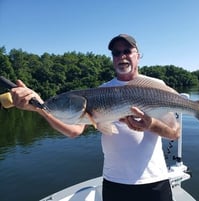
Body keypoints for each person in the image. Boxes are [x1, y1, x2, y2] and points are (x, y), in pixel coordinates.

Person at [10, 34, 180, 201]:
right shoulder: (101, 91)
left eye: (127, 51)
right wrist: (40, 107)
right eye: (116, 52)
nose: (122, 56)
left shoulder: (157, 88)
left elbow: (174, 133)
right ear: (112, 58)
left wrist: (149, 125)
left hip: (155, 182)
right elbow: (74, 131)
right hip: (115, 183)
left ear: (138, 55)